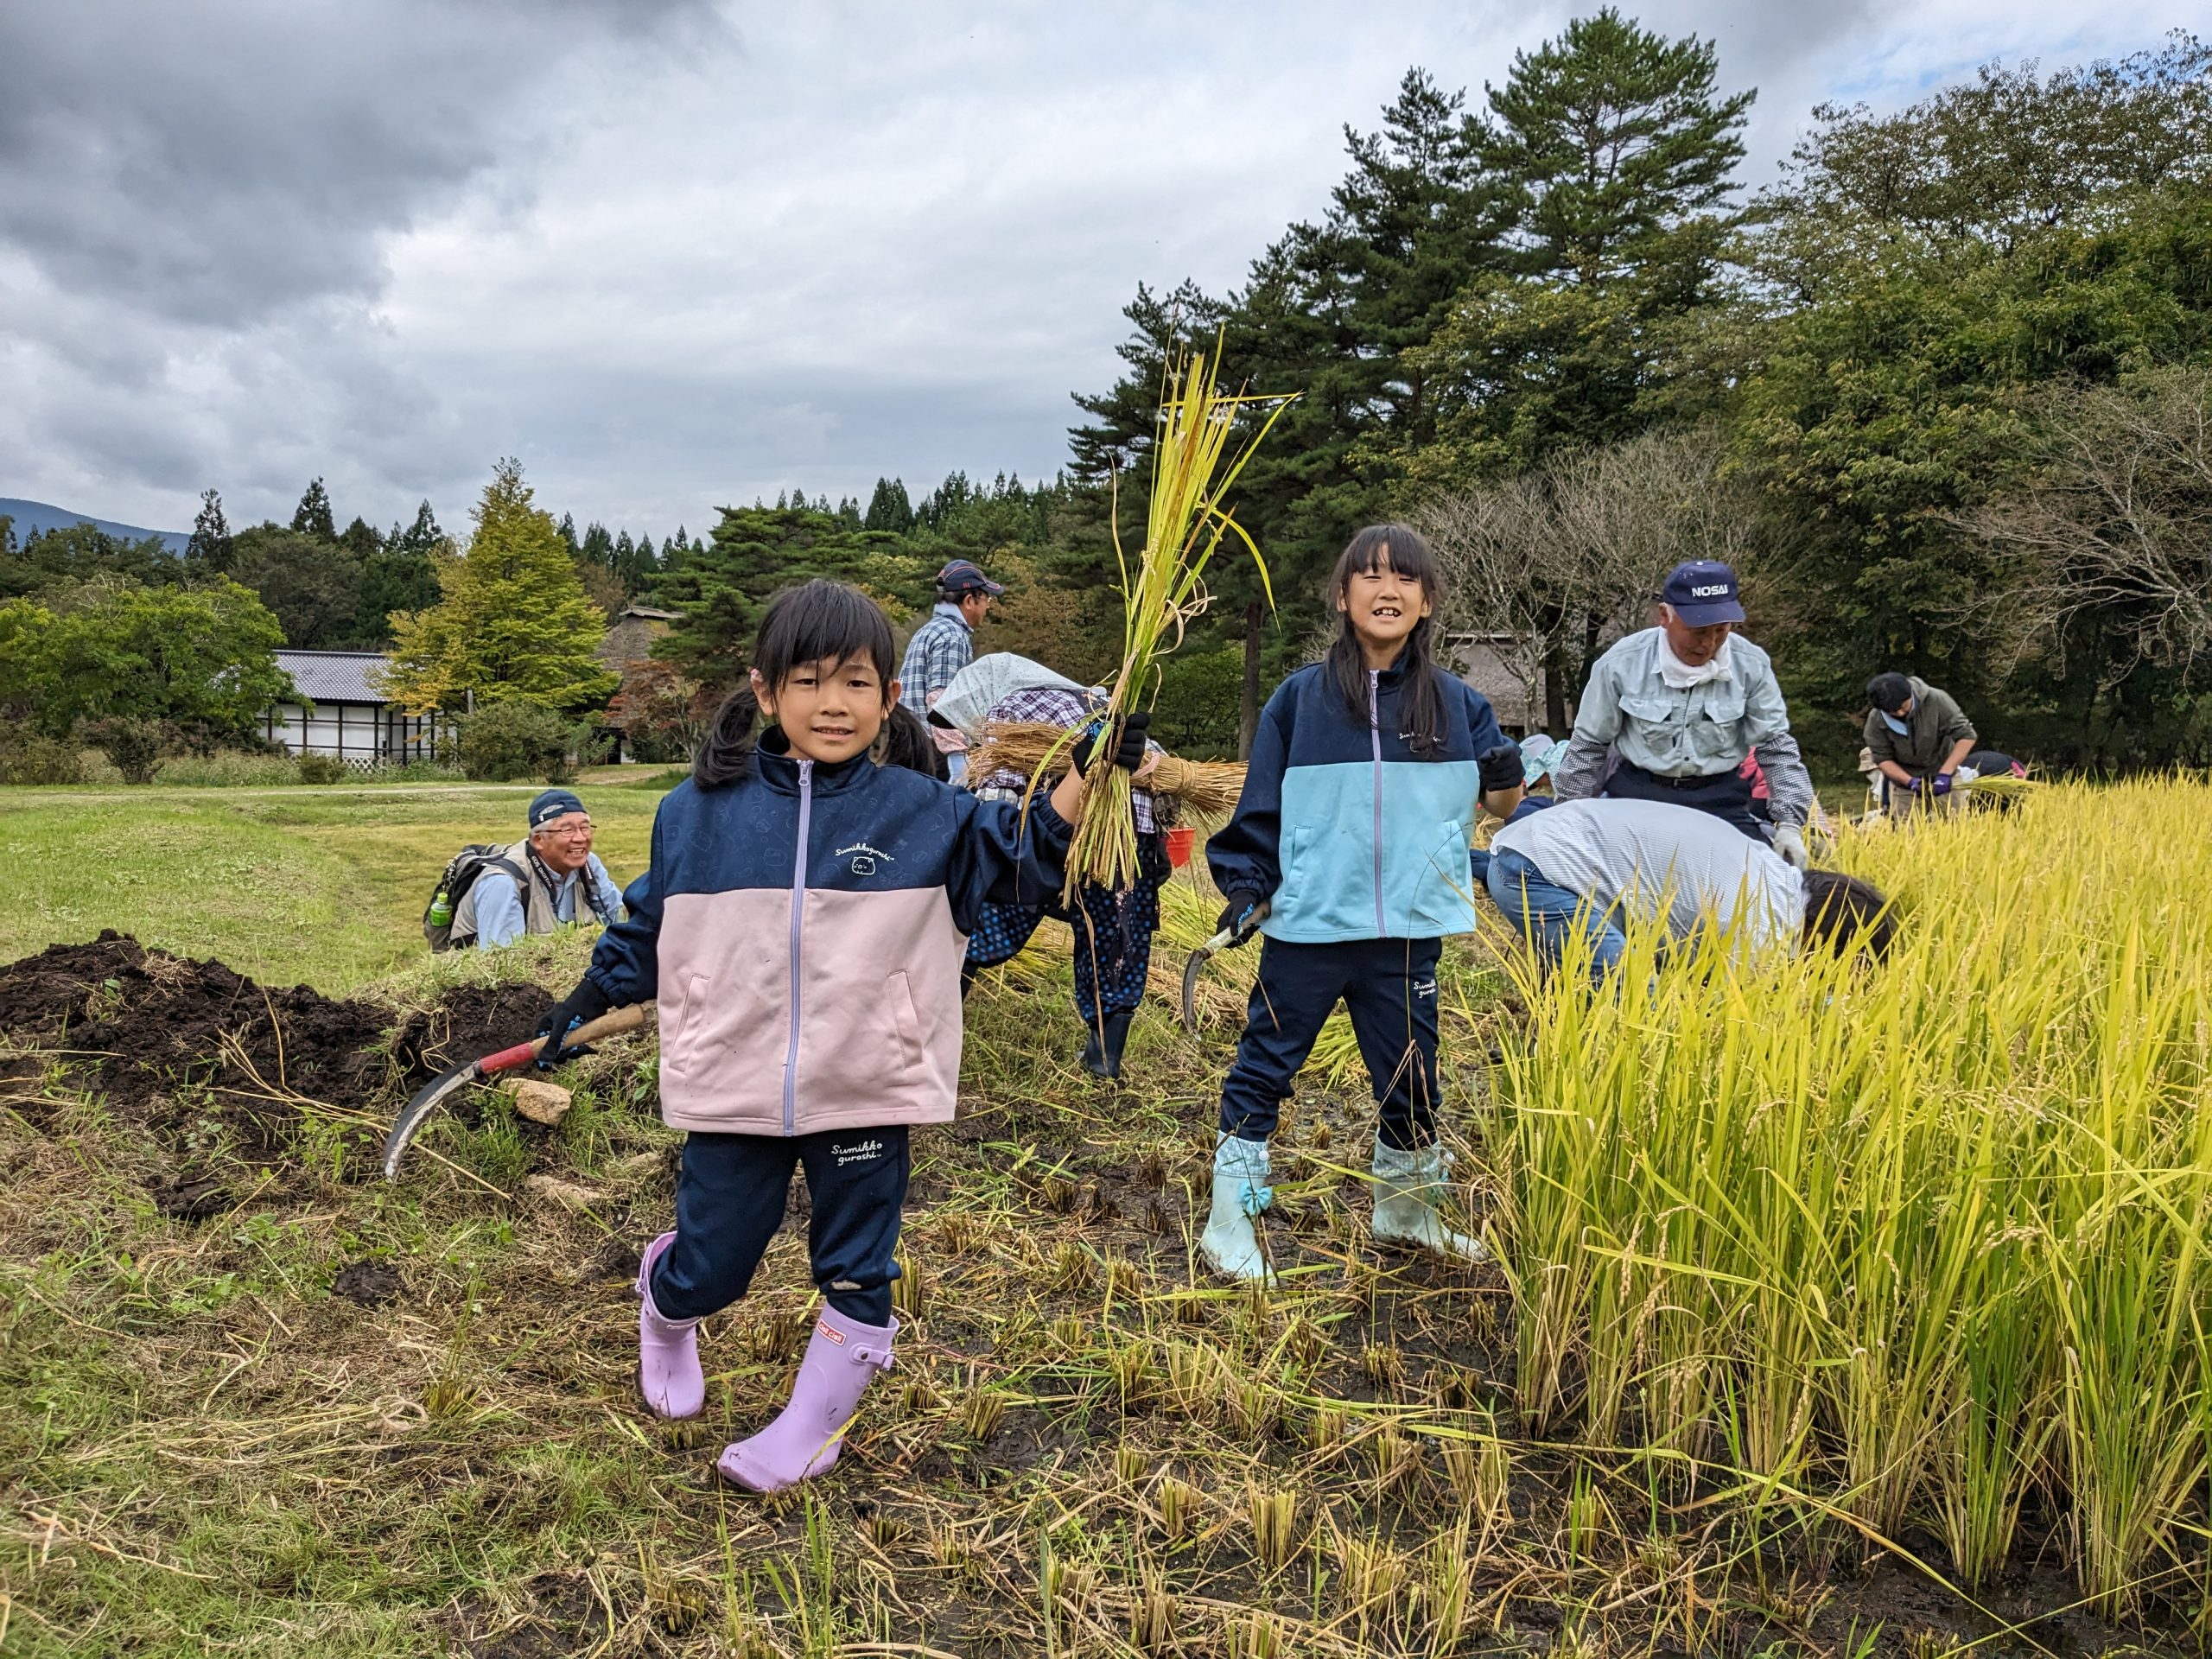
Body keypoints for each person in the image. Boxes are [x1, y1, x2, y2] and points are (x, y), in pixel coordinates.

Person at [531, 579, 1149, 1494]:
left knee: (858, 1266)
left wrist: (1091, 771)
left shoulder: (923, 810)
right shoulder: (695, 812)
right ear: (765, 689)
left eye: (857, 683)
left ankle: (810, 1432)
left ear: (889, 698)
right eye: (810, 680)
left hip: (867, 1077)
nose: (833, 703)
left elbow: (1020, 863)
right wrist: (586, 998)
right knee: (716, 1266)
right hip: (733, 1079)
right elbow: (652, 925)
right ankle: (667, 1311)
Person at [1200, 525, 1526, 1284]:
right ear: (1343, 598)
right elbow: (1259, 813)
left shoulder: (1459, 704)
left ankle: (1408, 1212)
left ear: (1427, 600)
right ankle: (1231, 1217)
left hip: (1409, 932)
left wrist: (1508, 773)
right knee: (1265, 1068)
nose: (1388, 590)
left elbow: (1504, 803)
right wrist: (1247, 891)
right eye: (1370, 577)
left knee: (1412, 1074)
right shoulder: (1299, 702)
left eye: (1405, 579)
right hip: (1311, 925)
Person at [935, 652, 1170, 1079]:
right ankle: (1105, 1061)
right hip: (1126, 843)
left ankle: (934, 1035)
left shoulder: (1012, 708)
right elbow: (1157, 777)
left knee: (983, 913)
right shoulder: (1099, 705)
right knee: (1115, 942)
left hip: (1055, 831)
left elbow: (998, 794)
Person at [1554, 561, 1814, 867]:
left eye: (1721, 630)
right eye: (1698, 631)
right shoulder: (1621, 663)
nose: (1709, 644)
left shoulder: (1751, 665)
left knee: (1760, 881)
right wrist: (1566, 817)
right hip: (1638, 796)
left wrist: (1789, 825)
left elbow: (1777, 749)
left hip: (1719, 799)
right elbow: (1588, 748)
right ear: (1665, 616)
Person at [1485, 798, 1895, 982]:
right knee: (1632, 991)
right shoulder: (1760, 925)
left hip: (1547, 843)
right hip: (1537, 870)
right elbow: (1737, 1016)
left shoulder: (1774, 872)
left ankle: (1476, 863)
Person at [450, 789, 626, 951]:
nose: (580, 838)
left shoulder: (589, 864)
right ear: (538, 840)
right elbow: (504, 965)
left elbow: (623, 923)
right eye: (567, 830)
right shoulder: (503, 883)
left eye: (585, 828)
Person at [901, 557, 1002, 783]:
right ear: (969, 601)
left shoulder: (928, 631)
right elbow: (941, 701)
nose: (988, 606)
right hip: (933, 753)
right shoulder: (952, 636)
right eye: (986, 598)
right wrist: (958, 762)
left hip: (910, 745)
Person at [1864, 671, 1977, 816]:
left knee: (1958, 827)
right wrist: (1910, 781)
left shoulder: (1936, 700)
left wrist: (1946, 773)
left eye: (1903, 707)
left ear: (1910, 694)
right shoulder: (1876, 719)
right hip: (1905, 785)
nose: (1899, 713)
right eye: (1892, 711)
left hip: (1944, 776)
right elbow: (1883, 759)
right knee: (1906, 832)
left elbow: (1967, 736)